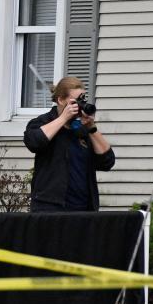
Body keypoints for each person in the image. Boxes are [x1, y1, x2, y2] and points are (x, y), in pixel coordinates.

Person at [24, 76, 115, 212]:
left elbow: (107, 162)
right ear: (61, 100)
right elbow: (34, 142)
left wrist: (91, 127)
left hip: (83, 210)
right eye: (76, 100)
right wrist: (63, 118)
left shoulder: (82, 129)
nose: (80, 105)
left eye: (82, 99)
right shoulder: (42, 122)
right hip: (50, 209)